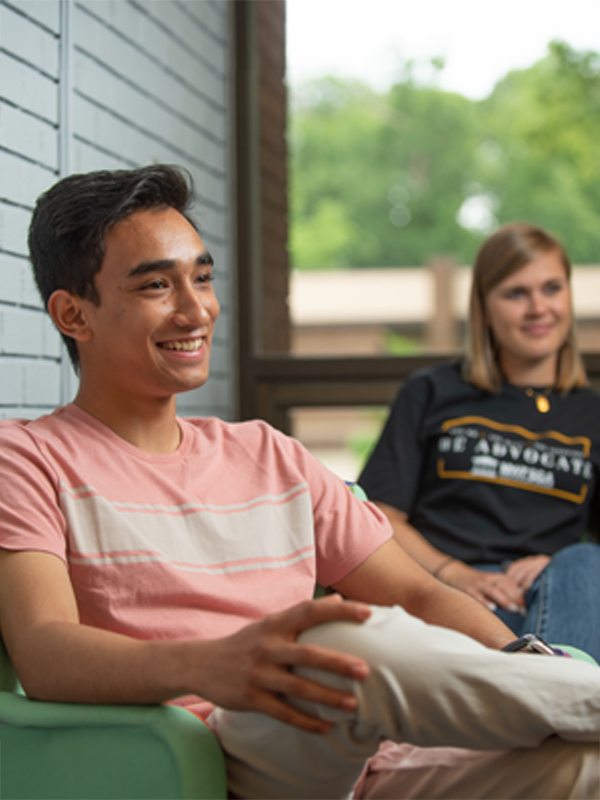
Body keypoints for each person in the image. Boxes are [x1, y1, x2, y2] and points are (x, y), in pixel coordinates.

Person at [0, 168, 598, 800]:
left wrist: (521, 660)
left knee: (582, 768)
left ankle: (566, 692)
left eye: (202, 277)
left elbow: (421, 597)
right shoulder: (29, 458)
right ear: (73, 315)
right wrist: (212, 664)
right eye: (156, 284)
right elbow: (43, 652)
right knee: (334, 641)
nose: (197, 308)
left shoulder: (269, 454)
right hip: (204, 755)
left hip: (364, 758)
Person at [359, 222, 600, 665]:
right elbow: (379, 518)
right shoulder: (432, 392)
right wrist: (453, 574)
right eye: (515, 293)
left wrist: (555, 562)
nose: (538, 308)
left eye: (551, 288)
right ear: (485, 307)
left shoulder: (593, 414)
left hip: (554, 595)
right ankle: (561, 701)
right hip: (448, 590)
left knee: (587, 562)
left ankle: (548, 692)